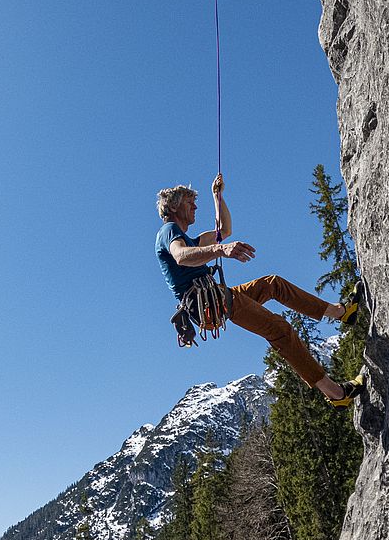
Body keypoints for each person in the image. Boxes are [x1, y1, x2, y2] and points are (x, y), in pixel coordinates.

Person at [155, 174, 362, 406]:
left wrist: (218, 196)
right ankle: (336, 394)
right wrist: (221, 250)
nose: (194, 206)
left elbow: (225, 229)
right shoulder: (169, 231)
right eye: (188, 202)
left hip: (219, 297)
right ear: (173, 207)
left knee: (273, 284)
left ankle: (341, 312)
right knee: (280, 330)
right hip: (215, 301)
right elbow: (181, 257)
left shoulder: (191, 239)